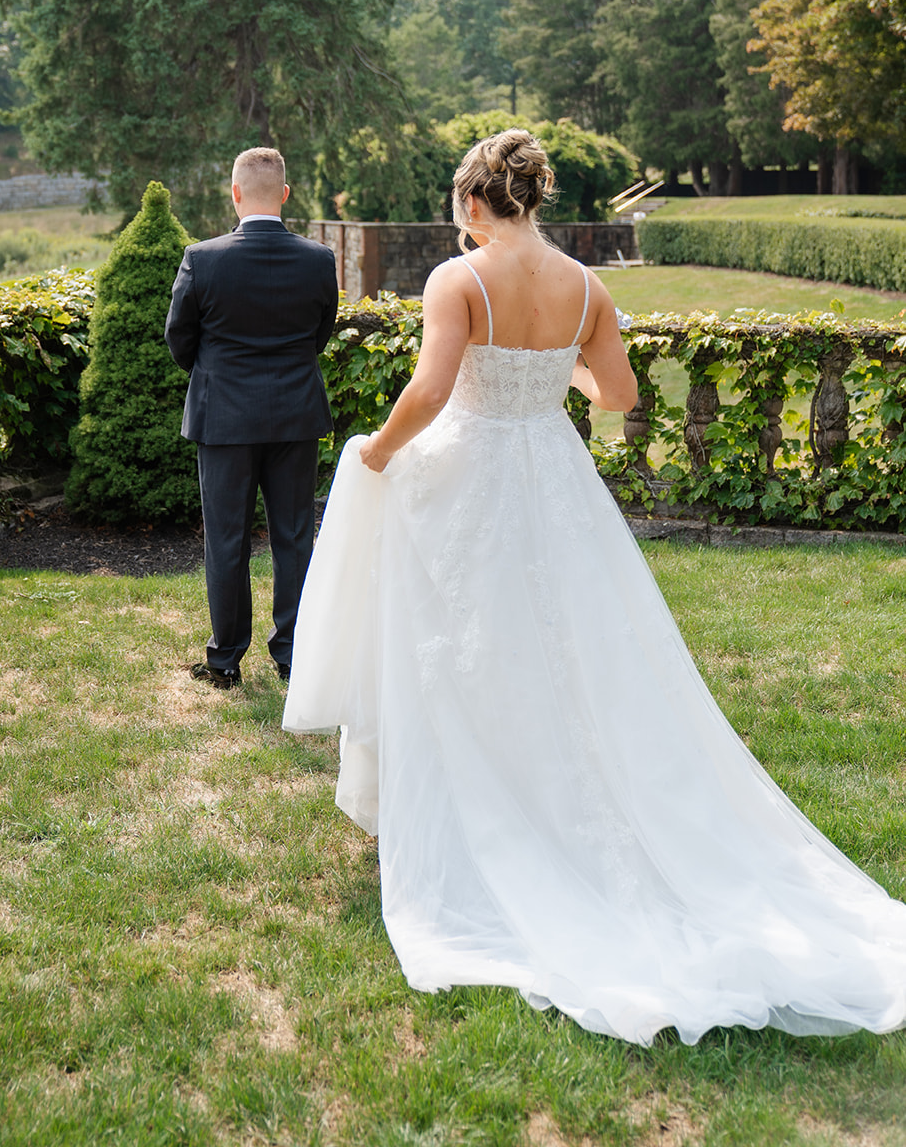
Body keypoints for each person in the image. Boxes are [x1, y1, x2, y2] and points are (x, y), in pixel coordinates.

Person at [283, 128, 906, 1046]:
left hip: (469, 477)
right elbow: (613, 396)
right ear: (532, 198)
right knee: (572, 645)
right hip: (553, 473)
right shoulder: (587, 285)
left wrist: (373, 453)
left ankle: (482, 805)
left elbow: (429, 389)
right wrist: (550, 369)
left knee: (462, 645)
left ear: (469, 203)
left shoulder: (458, 280)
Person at [165, 147, 338, 688]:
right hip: (294, 415)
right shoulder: (318, 259)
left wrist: (218, 375)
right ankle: (293, 654)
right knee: (294, 537)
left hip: (224, 419)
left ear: (235, 194)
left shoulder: (203, 257)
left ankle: (224, 661)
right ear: (284, 195)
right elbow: (319, 335)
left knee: (227, 538)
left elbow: (180, 339)